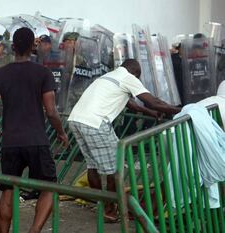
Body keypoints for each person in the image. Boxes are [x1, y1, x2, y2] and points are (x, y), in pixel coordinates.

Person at [0, 27, 69, 233]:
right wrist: (61, 133)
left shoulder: (0, 75)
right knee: (49, 188)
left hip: (10, 142)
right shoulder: (43, 73)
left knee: (8, 190)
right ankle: (34, 230)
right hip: (37, 140)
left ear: (13, 47)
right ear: (32, 46)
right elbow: (52, 112)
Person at [68, 59, 181, 222]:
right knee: (115, 168)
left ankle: (103, 205)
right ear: (136, 73)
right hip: (95, 123)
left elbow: (130, 104)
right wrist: (182, 109)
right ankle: (110, 210)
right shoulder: (129, 78)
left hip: (76, 120)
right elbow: (153, 101)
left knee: (92, 165)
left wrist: (149, 113)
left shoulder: (108, 76)